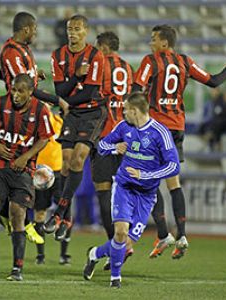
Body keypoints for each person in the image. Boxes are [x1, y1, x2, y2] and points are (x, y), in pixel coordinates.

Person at [133, 24, 226, 259]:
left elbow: (136, 89)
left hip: (156, 127)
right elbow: (213, 81)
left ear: (164, 43)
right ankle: (181, 235)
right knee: (173, 183)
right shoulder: (185, 61)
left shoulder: (151, 62)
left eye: (153, 39)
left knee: (145, 181)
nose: (150, 43)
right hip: (177, 128)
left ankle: (163, 234)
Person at [83, 92, 180, 288]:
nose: (123, 112)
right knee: (120, 233)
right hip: (124, 187)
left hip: (146, 195)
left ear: (134, 111)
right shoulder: (123, 127)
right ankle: (115, 279)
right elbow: (101, 145)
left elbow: (173, 166)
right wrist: (114, 148)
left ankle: (94, 254)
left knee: (126, 242)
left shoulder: (160, 133)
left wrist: (144, 175)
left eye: (125, 109)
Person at [0, 74, 54, 282]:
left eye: (21, 91)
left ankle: (17, 268)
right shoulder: (1, 103)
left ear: (30, 92)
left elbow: (45, 137)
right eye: (13, 90)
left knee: (17, 214)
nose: (16, 95)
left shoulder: (40, 110)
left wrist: (27, 157)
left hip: (23, 171)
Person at [43, 14, 106, 241]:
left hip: (92, 112)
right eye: (70, 28)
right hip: (71, 112)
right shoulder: (57, 56)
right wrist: (76, 75)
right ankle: (66, 219)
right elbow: (61, 91)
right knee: (66, 165)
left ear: (85, 32)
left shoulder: (96, 56)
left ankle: (58, 212)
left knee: (79, 159)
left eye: (77, 28)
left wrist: (67, 100)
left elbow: (89, 92)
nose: (72, 32)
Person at [91, 31, 134, 268]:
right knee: (126, 192)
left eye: (98, 48)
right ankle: (127, 241)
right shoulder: (128, 69)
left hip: (104, 137)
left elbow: (91, 97)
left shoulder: (100, 66)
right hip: (126, 137)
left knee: (104, 193)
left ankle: (116, 245)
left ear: (104, 47)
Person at [0, 11, 69, 113]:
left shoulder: (23, 47)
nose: (35, 33)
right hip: (19, 110)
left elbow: (5, 74)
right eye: (34, 29)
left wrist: (34, 75)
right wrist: (57, 100)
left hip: (28, 104)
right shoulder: (12, 51)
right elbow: (23, 86)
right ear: (26, 29)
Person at [33, 104, 66, 265]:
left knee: (64, 211)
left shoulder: (60, 121)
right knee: (40, 213)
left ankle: (64, 255)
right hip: (40, 173)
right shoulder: (35, 123)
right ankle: (40, 255)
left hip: (59, 172)